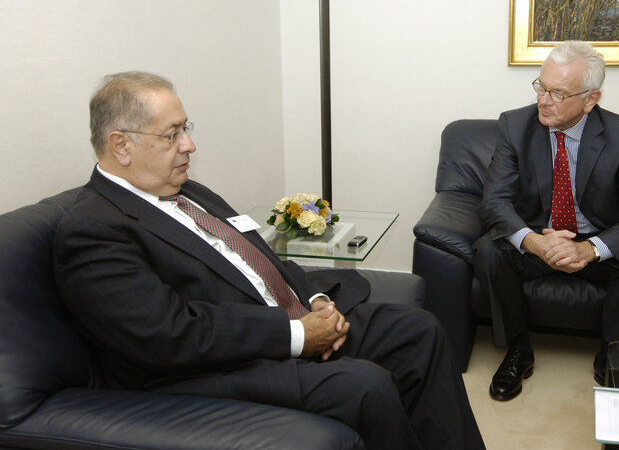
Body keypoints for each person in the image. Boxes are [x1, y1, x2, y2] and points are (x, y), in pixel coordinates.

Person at [54, 71, 485, 450]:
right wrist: (297, 335)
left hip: (279, 323)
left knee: (418, 330)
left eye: (185, 128)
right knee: (366, 386)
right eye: (172, 135)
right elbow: (168, 335)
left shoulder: (187, 191)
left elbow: (260, 256)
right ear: (121, 145)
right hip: (206, 370)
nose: (189, 145)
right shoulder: (94, 229)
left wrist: (313, 299)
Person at [472, 41, 619, 401]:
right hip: (538, 238)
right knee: (488, 249)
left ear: (591, 99)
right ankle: (518, 349)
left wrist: (589, 250)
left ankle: (612, 351)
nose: (544, 100)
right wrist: (535, 242)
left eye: (558, 93)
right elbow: (494, 202)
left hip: (593, 244)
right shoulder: (514, 126)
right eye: (541, 86)